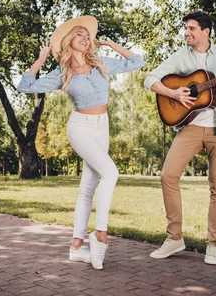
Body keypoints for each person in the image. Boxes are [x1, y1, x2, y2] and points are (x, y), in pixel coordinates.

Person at [17, 16, 144, 270]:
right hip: (80, 128)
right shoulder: (62, 73)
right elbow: (24, 85)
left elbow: (136, 61)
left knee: (88, 187)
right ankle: (100, 234)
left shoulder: (100, 64)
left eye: (88, 36)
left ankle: (76, 247)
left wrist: (109, 44)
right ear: (68, 42)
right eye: (80, 35)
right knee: (110, 172)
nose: (85, 39)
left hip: (102, 128)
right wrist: (42, 58)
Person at [144, 10, 216, 265]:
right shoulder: (181, 55)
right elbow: (150, 78)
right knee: (168, 175)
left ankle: (212, 244)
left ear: (205, 31)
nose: (186, 33)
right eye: (185, 29)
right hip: (189, 127)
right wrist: (174, 94)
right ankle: (174, 238)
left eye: (191, 29)